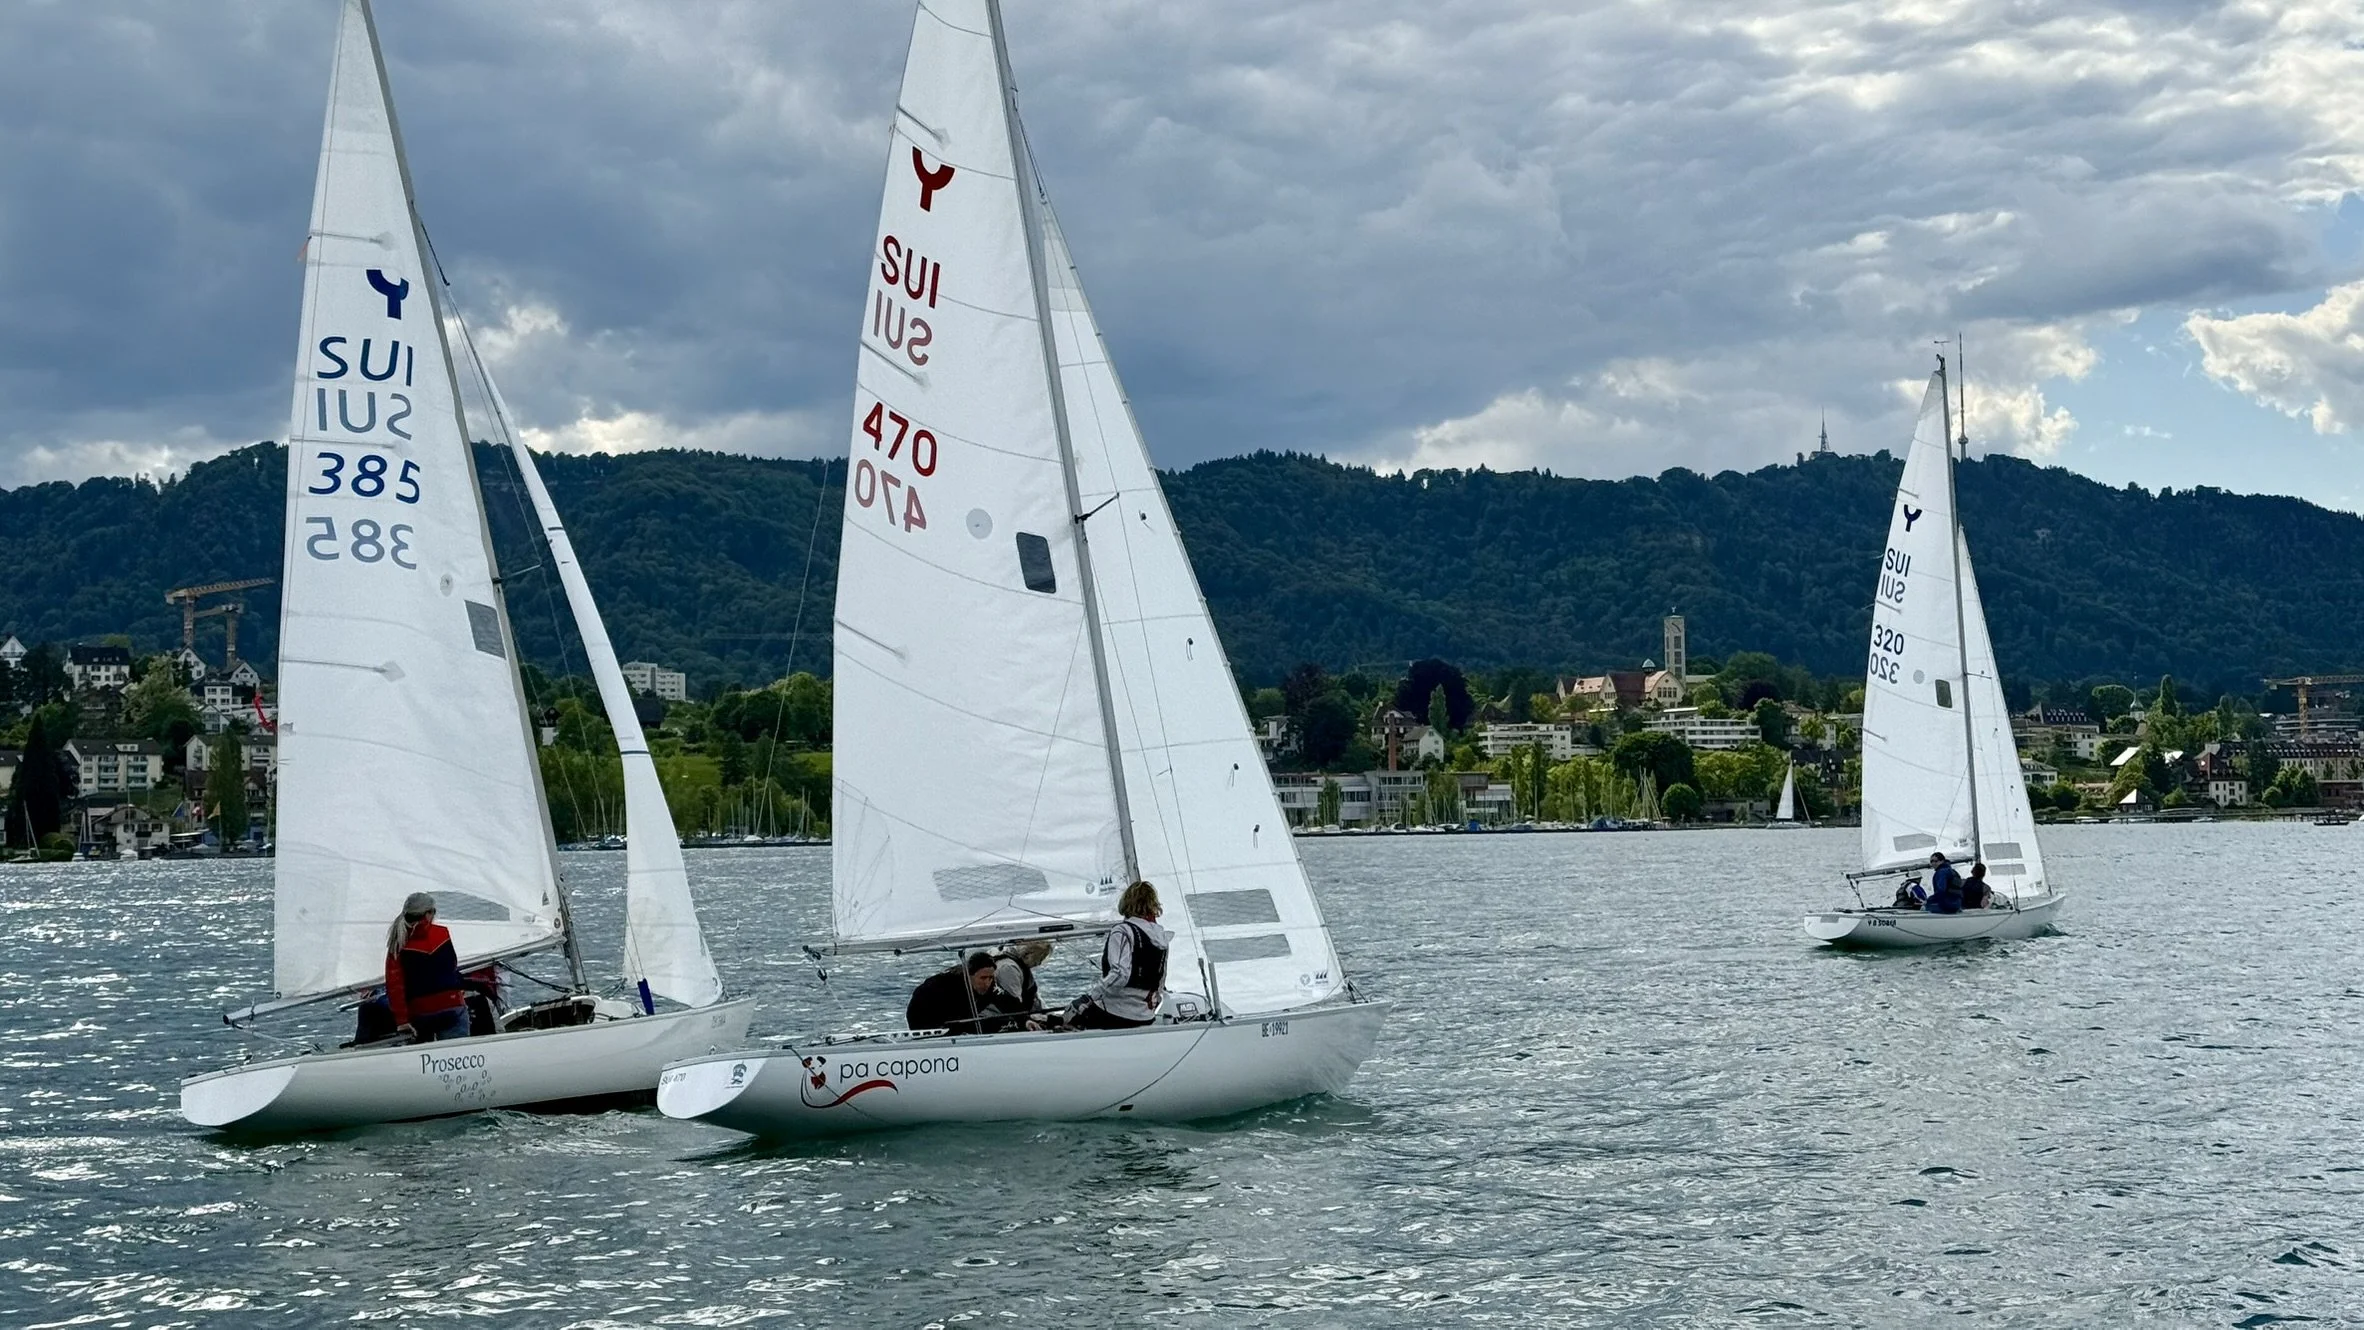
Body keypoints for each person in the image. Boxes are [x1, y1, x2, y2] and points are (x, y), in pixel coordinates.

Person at [1065, 881, 1170, 1030]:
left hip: (1115, 1013)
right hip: (1145, 1015)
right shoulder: (1162, 936)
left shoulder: (1122, 931)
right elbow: (1161, 979)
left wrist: (1090, 998)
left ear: (1126, 903)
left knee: (1068, 1016)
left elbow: (1120, 973)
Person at [386, 893, 484, 1042]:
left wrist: (402, 1021)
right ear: (428, 914)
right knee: (455, 1056)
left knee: (422, 1058)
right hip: (452, 1005)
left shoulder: (398, 942)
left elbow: (395, 986)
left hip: (419, 1012)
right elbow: (452, 965)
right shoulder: (442, 933)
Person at [906, 952, 1019, 1034]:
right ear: (969, 976)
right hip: (926, 1018)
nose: (987, 983)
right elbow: (916, 1009)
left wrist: (1025, 1021)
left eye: (990, 977)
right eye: (983, 978)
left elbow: (1009, 1003)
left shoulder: (991, 986)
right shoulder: (947, 986)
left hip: (959, 1020)